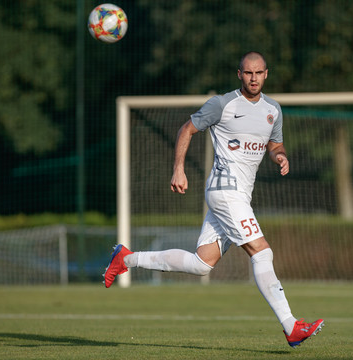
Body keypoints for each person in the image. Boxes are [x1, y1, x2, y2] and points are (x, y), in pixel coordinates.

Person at [104, 51, 324, 348]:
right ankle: (291, 326)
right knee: (262, 252)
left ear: (266, 74)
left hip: (240, 194)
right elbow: (187, 129)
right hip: (225, 190)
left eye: (259, 73)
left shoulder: (273, 109)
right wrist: (178, 169)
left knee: (201, 264)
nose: (254, 78)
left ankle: (126, 259)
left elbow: (275, 142)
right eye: (248, 73)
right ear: (239, 74)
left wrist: (279, 155)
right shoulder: (223, 104)